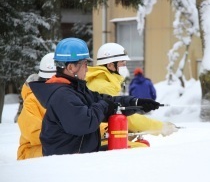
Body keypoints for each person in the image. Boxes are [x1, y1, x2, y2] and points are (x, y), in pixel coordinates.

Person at [29, 37, 160, 156]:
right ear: (70, 67)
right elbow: (83, 123)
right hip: (66, 165)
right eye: (85, 64)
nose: (87, 69)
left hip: (81, 155)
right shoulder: (62, 95)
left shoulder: (76, 89)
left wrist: (137, 103)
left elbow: (106, 101)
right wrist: (104, 106)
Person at [85, 43, 178, 148]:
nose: (125, 67)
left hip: (103, 134)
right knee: (141, 148)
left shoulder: (105, 81)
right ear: (111, 65)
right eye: (122, 63)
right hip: (100, 138)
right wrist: (161, 127)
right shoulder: (103, 86)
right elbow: (127, 118)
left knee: (140, 144)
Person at [17, 53, 56, 160]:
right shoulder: (32, 100)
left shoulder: (60, 96)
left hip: (51, 147)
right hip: (30, 152)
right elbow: (35, 133)